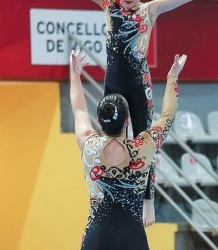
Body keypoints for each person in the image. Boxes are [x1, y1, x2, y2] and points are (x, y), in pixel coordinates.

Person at [69, 49, 187, 249]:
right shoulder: (143, 147)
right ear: (127, 121)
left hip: (97, 238)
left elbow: (79, 109)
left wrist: (74, 73)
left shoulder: (89, 145)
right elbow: (168, 115)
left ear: (99, 120)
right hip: (132, 238)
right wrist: (172, 76)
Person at [90, 0, 192, 226]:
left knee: (145, 139)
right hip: (114, 84)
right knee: (110, 138)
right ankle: (108, 191)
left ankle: (148, 199)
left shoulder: (150, 9)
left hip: (139, 85)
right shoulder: (109, 5)